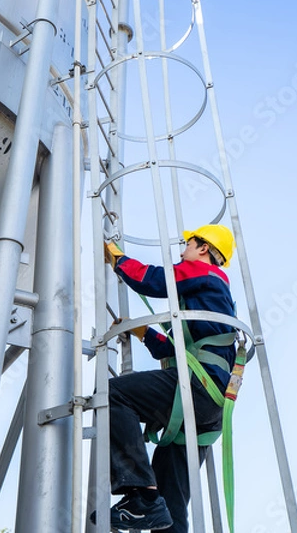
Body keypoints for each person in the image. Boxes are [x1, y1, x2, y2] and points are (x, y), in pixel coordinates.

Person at [91, 224, 237, 532]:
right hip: (207, 404)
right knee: (169, 506)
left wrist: (118, 260)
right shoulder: (209, 297)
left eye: (187, 243)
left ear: (202, 249)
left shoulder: (204, 273)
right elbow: (176, 350)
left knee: (112, 393)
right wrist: (144, 333)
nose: (182, 250)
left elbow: (155, 280)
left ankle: (141, 495)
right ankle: (151, 504)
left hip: (197, 388)